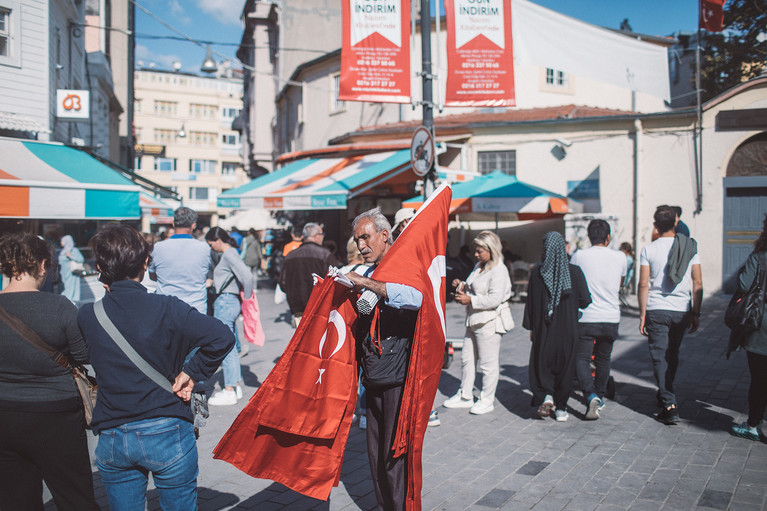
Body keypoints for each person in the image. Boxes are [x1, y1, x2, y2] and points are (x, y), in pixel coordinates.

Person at [77, 224, 234, 511]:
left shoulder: (89, 315)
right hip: (167, 427)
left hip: (113, 432)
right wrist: (192, 371)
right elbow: (222, 336)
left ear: (100, 267)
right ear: (147, 263)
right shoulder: (168, 307)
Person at [0, 233, 99, 511]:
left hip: (4, 413)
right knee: (74, 497)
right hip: (56, 414)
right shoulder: (59, 307)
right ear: (43, 265)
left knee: (15, 499)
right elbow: (83, 356)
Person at [346, 207, 422, 511]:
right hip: (372, 372)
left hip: (397, 376)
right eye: (357, 239)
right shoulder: (365, 269)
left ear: (384, 235)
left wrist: (367, 285)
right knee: (375, 451)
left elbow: (416, 298)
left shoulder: (403, 265)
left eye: (366, 237)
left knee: (394, 451)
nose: (361, 245)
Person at [638, 205, 702, 425]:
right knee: (671, 354)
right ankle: (666, 394)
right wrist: (696, 312)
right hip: (681, 309)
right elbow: (698, 282)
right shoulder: (690, 247)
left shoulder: (648, 249)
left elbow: (644, 284)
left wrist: (642, 314)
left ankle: (669, 403)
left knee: (659, 357)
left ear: (656, 225)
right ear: (676, 222)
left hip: (656, 308)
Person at [523, 232, 591, 422]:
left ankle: (546, 395)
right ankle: (561, 408)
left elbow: (531, 304)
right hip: (568, 331)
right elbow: (586, 301)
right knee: (566, 369)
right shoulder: (575, 272)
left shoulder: (538, 272)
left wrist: (531, 328)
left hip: (543, 330)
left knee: (542, 366)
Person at [444, 231, 513, 415]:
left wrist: (470, 300)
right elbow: (473, 285)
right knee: (467, 359)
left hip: (488, 321)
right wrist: (462, 285)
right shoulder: (480, 265)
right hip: (473, 319)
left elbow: (494, 299)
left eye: (480, 250)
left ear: (491, 250)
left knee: (488, 364)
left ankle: (487, 399)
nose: (476, 254)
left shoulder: (499, 270)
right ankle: (465, 395)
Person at [570, 220, 627, 419]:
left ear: (588, 237)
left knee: (582, 358)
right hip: (611, 316)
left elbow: (573, 280)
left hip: (586, 316)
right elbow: (621, 283)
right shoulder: (621, 257)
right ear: (608, 237)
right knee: (604, 358)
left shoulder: (579, 256)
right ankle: (600, 396)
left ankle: (590, 393)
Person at [205, 227, 255, 406]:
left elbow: (247, 277)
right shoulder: (231, 253)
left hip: (225, 301)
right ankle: (235, 385)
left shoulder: (228, 254)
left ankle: (230, 389)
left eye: (211, 244)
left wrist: (247, 300)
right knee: (230, 345)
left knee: (225, 347)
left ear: (218, 240)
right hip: (229, 301)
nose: (212, 248)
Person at [731, 214, 767, 441]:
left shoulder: (759, 257)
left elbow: (744, 284)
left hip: (760, 324)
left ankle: (754, 424)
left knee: (759, 379)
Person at [149, 207, 212, 314]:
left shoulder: (158, 247)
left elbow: (152, 276)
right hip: (195, 309)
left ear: (173, 224)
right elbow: (205, 274)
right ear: (193, 225)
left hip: (166, 309)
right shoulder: (204, 248)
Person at [279, 222, 336, 327]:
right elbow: (335, 282)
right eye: (322, 234)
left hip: (298, 310)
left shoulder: (290, 256)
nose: (323, 237)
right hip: (321, 310)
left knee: (302, 341)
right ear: (316, 236)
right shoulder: (326, 255)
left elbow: (283, 283)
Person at [58, 234, 84, 303]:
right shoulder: (63, 251)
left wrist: (71, 256)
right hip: (64, 274)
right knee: (65, 289)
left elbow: (81, 259)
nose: (61, 242)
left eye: (62, 241)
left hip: (72, 274)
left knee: (71, 290)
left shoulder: (74, 250)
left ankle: (71, 305)